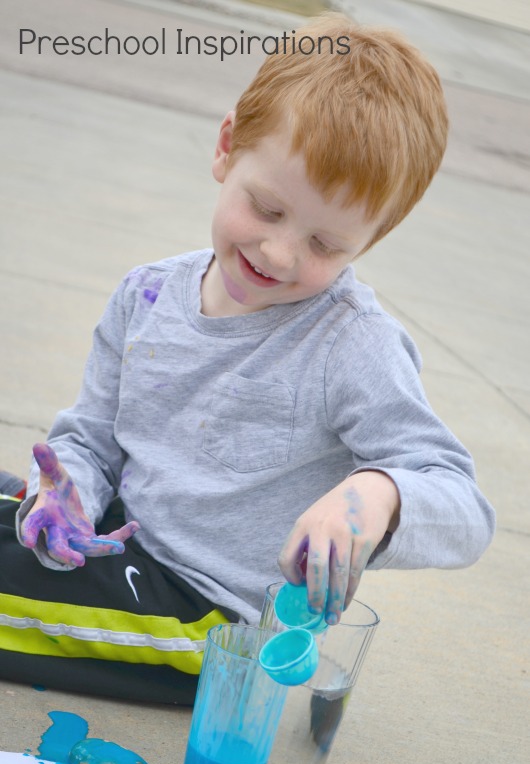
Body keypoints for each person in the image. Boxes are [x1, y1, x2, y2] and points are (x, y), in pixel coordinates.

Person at [0, 12, 495, 704]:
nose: (281, 254)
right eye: (266, 210)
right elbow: (89, 438)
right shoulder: (146, 294)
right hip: (115, 539)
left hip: (206, 621)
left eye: (326, 245)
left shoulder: (351, 344)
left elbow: (466, 510)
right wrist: (66, 492)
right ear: (228, 147)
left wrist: (376, 493)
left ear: (371, 239)